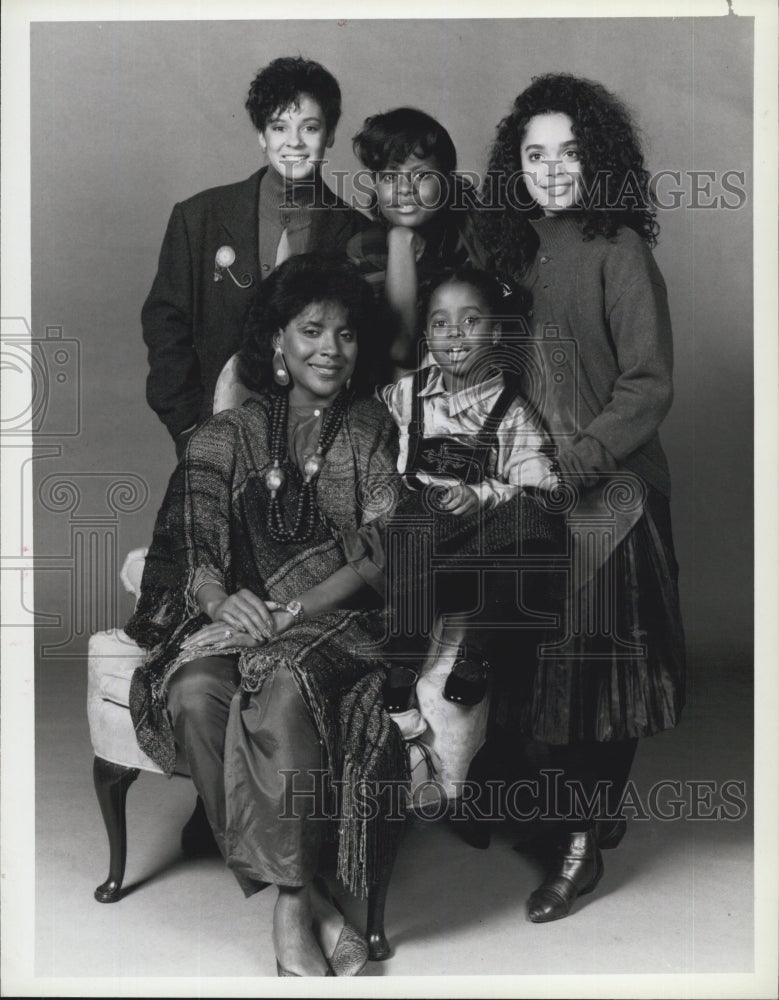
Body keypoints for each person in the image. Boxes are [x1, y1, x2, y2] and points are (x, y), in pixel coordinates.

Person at [126, 254, 405, 977]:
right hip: (243, 621)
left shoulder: (370, 428)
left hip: (338, 622)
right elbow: (191, 543)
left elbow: (380, 548)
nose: (329, 349)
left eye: (344, 334)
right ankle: (309, 889)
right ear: (276, 342)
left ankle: (287, 909)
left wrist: (293, 609)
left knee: (280, 680)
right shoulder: (226, 435)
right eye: (311, 330)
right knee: (192, 692)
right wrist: (223, 599)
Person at [479, 72, 686, 921]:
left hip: (612, 497)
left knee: (601, 678)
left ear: (596, 157)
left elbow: (646, 386)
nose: (552, 168)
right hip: (536, 492)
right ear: (516, 166)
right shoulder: (515, 248)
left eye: (569, 151)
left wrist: (571, 467)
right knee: (539, 672)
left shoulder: (620, 248)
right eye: (535, 153)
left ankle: (579, 848)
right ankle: (582, 816)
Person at [142, 56, 369, 458]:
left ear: (330, 134)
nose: (294, 143)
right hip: (218, 432)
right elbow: (165, 324)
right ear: (261, 136)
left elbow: (368, 344)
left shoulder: (357, 233)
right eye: (279, 127)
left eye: (310, 128)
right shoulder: (199, 218)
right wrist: (188, 426)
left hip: (323, 443)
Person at [377, 266, 557, 705]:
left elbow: (540, 487)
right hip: (417, 559)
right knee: (415, 513)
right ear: (426, 335)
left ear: (496, 332)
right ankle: (402, 661)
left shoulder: (511, 412)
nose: (454, 333)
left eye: (470, 321)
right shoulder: (405, 394)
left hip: (480, 562)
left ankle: (477, 656)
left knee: (535, 517)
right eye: (440, 323)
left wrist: (480, 496)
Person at [349, 107, 486, 367]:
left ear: (446, 180)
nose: (404, 189)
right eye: (390, 177)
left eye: (422, 176)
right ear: (375, 185)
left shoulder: (475, 239)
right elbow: (400, 351)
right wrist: (401, 244)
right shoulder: (367, 248)